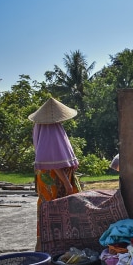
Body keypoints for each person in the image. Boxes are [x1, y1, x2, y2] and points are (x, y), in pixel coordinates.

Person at [28, 98, 82, 252]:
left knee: (46, 209)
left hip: (46, 177)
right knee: (56, 211)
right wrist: (67, 183)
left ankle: (43, 247)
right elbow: (54, 161)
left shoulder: (39, 127)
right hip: (53, 178)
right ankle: (50, 248)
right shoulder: (51, 130)